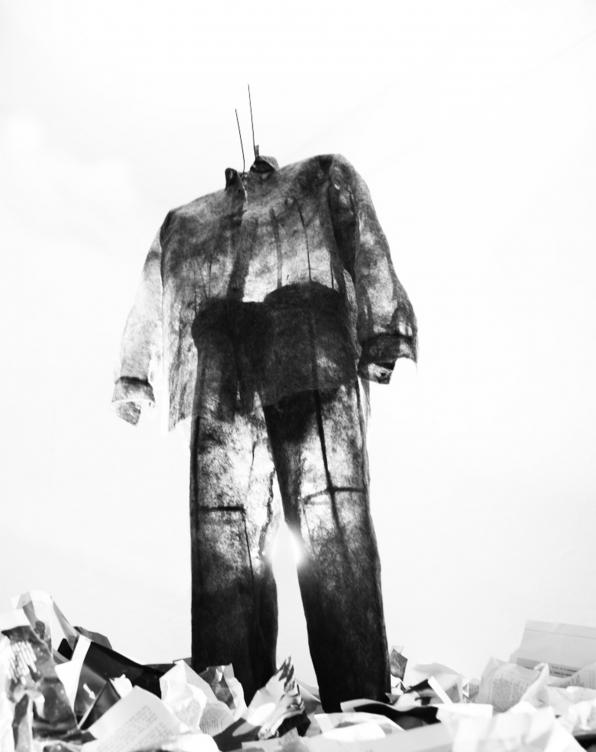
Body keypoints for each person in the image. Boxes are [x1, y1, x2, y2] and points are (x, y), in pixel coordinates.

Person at [113, 152, 416, 710]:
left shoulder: (318, 178)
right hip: (226, 368)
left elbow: (362, 236)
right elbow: (154, 285)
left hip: (309, 350)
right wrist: (134, 372)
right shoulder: (187, 223)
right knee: (227, 546)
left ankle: (357, 702)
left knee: (331, 531)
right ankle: (232, 701)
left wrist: (382, 329)